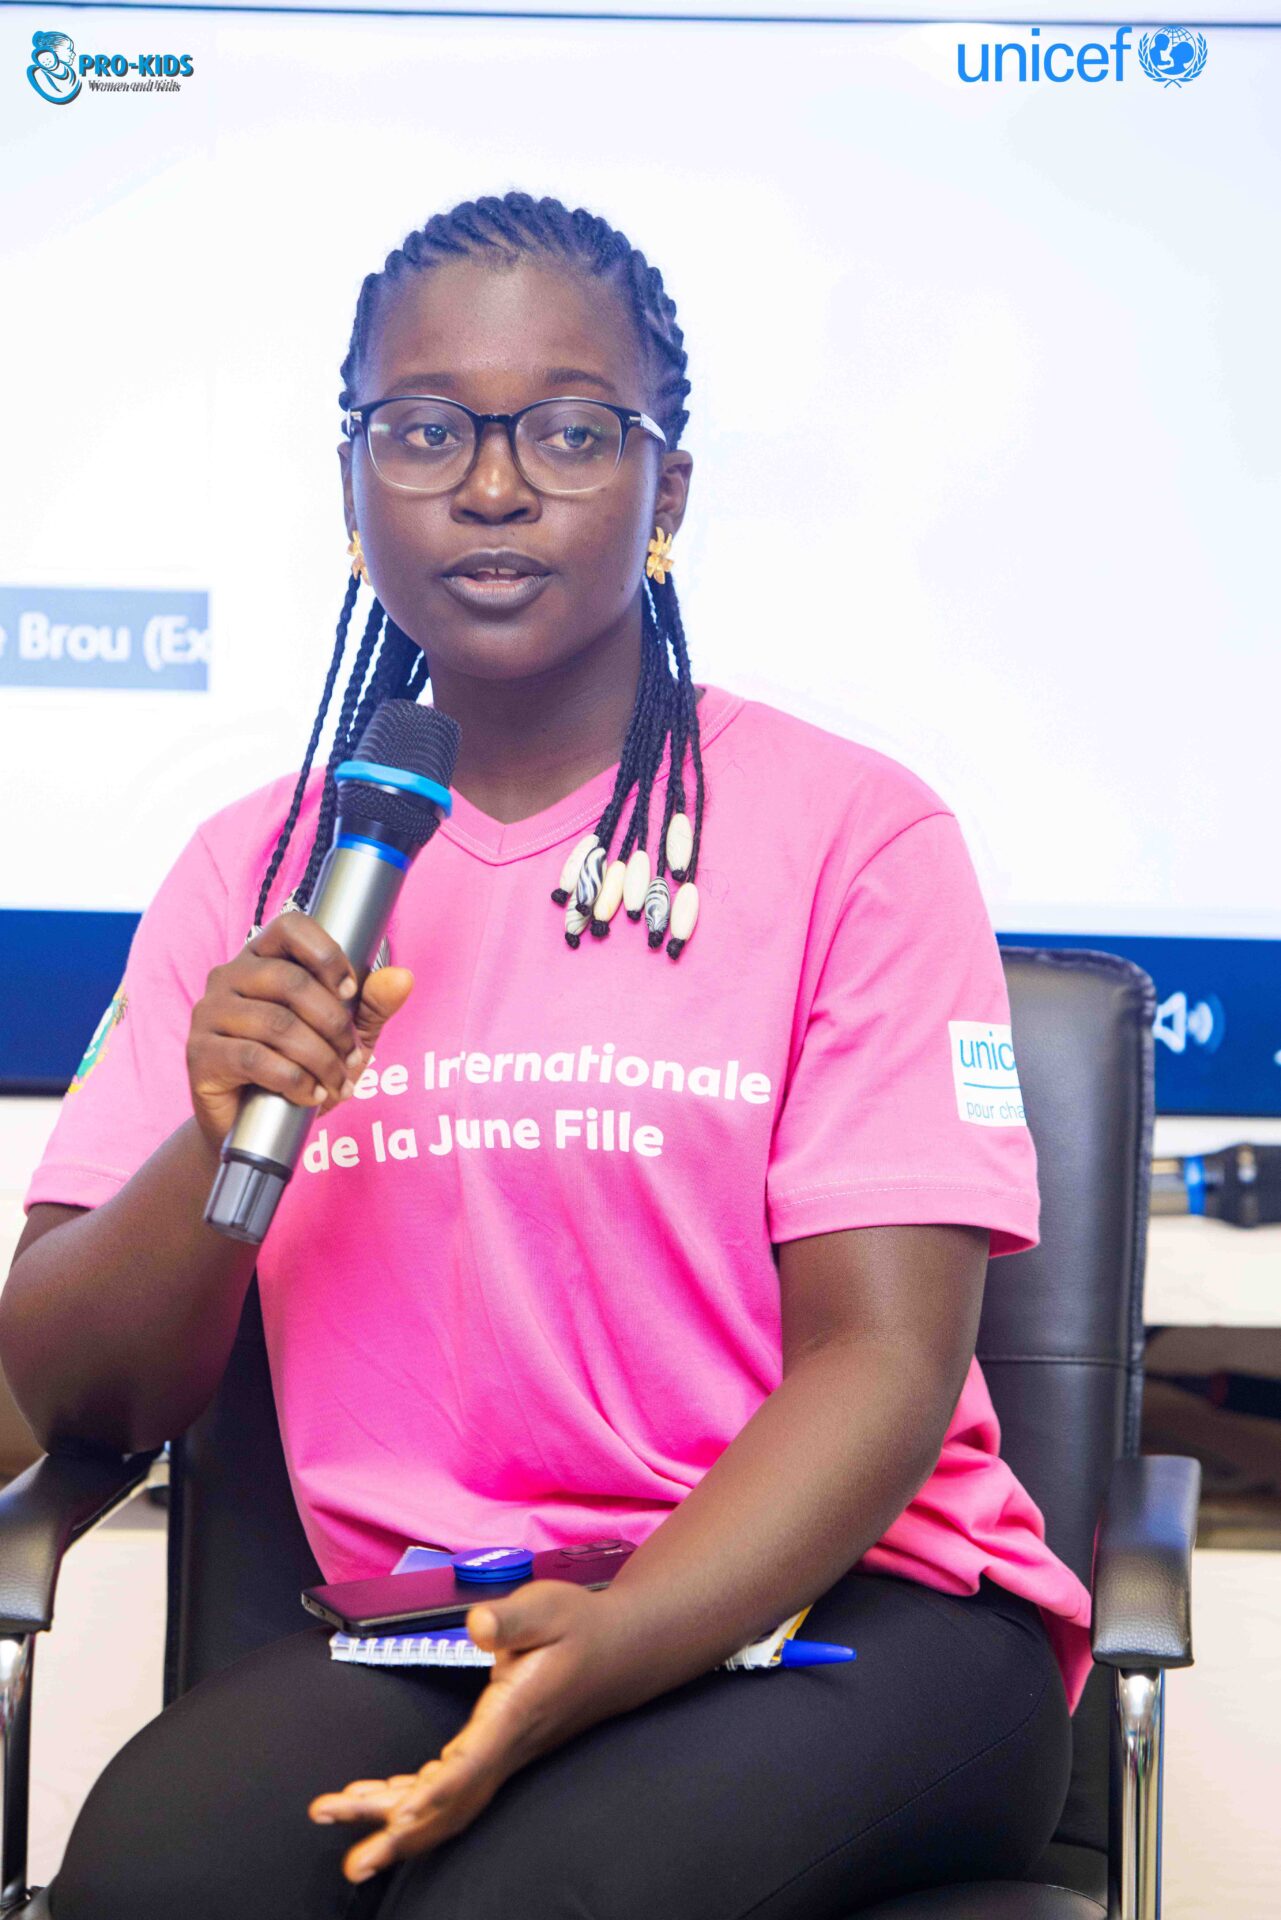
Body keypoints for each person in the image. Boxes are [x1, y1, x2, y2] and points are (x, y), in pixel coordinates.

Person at [2, 190, 1089, 1920]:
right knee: (152, 1879)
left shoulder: (856, 835)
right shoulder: (256, 874)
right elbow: (79, 1396)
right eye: (425, 430)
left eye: (570, 433)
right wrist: (219, 1135)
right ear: (352, 486)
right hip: (443, 1619)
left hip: (862, 1614)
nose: (492, 486)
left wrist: (618, 1642)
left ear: (667, 494)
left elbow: (881, 1361)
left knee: (526, 1903)